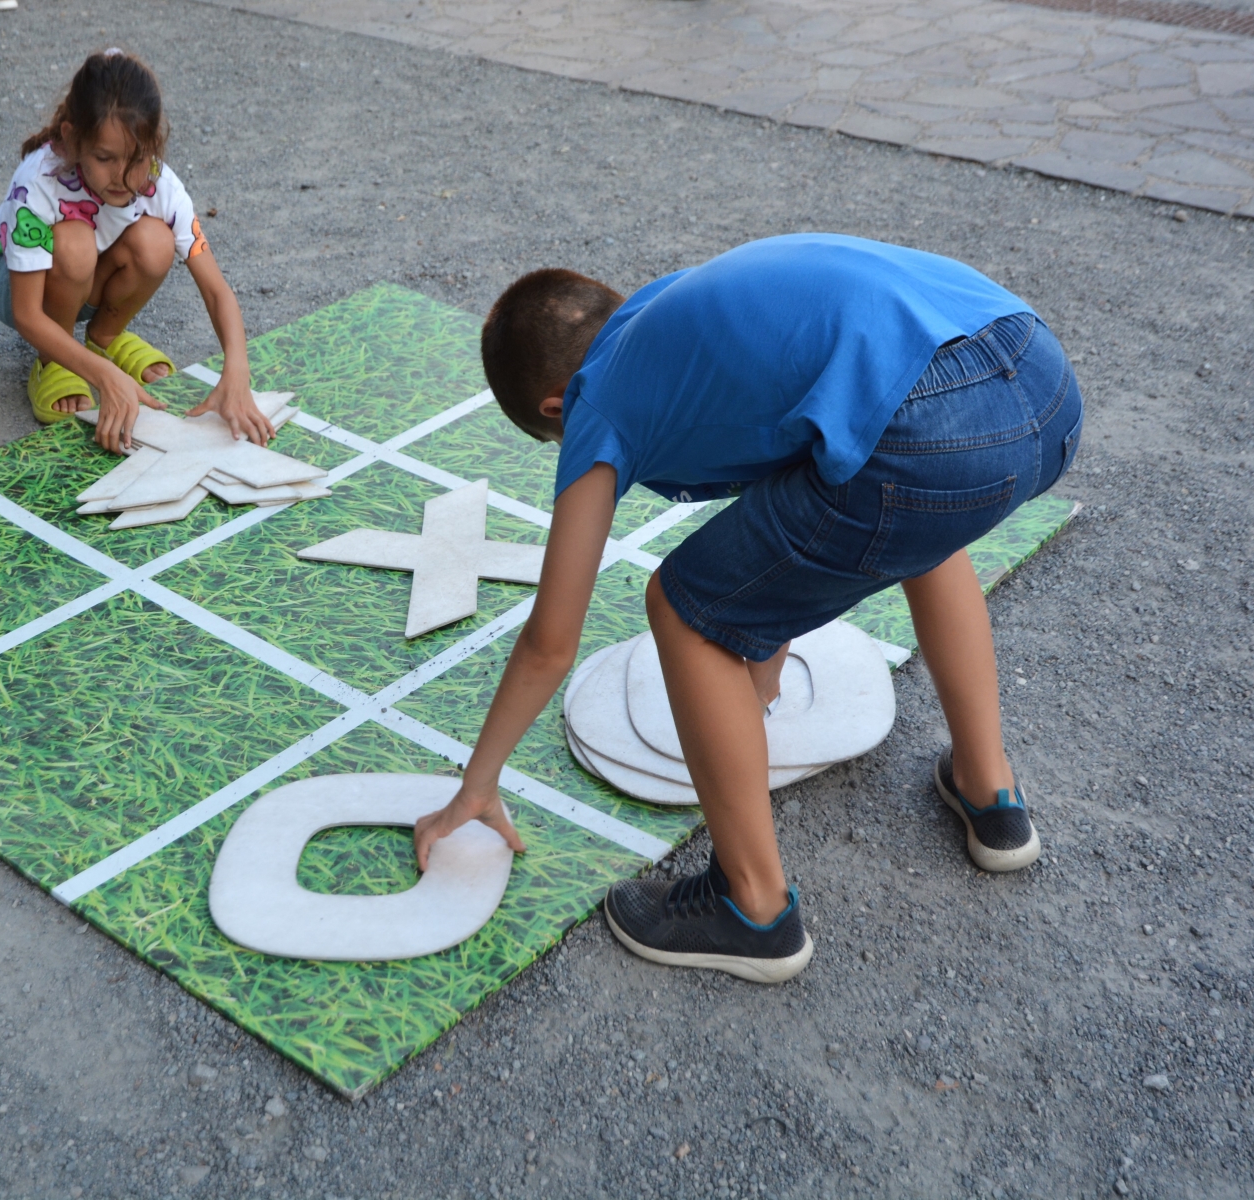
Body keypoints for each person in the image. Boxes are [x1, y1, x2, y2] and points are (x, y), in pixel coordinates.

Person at [412, 234, 1082, 983]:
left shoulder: (596, 394)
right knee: (921, 520)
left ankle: (752, 908)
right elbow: (798, 487)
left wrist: (478, 782)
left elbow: (550, 641)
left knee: (682, 604)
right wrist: (760, 663)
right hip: (1040, 375)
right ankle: (990, 794)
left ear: (554, 407)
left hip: (931, 435)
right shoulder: (672, 304)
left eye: (555, 439)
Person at [0, 48, 270, 454]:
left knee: (156, 242)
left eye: (137, 159)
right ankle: (54, 359)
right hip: (13, 285)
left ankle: (105, 338)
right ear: (71, 138)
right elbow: (27, 315)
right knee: (75, 242)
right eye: (104, 158)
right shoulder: (39, 182)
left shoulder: (159, 184)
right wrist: (105, 377)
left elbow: (217, 291)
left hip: (83, 276)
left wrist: (236, 372)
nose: (122, 176)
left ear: (154, 146)